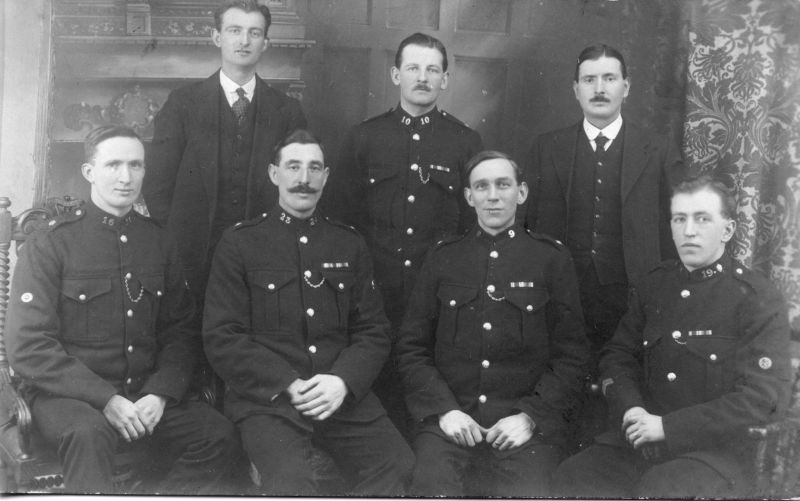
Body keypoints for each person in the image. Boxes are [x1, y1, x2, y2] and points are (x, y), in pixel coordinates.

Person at [4, 125, 241, 494]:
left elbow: (181, 331)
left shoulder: (159, 241)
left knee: (217, 435)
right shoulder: (50, 244)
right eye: (113, 164)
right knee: (89, 432)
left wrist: (160, 393)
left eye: (136, 165)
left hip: (144, 394)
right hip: (68, 398)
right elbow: (28, 346)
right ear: (89, 172)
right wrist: (106, 399)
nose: (126, 177)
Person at [202, 129, 414, 496]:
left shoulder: (349, 243)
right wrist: (287, 382)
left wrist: (342, 381)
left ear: (326, 177)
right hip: (269, 401)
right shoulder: (239, 243)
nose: (304, 179)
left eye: (315, 168)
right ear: (274, 174)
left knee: (398, 464)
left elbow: (374, 330)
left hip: (339, 396)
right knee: (292, 482)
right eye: (294, 167)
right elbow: (222, 335)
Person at [552, 175, 792, 498]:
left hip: (714, 456)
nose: (688, 231)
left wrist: (667, 428)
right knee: (574, 475)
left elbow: (760, 399)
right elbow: (617, 357)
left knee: (663, 488)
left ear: (728, 230)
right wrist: (631, 410)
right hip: (641, 443)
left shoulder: (755, 298)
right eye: (679, 219)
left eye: (702, 219)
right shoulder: (655, 286)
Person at [396, 150, 589, 496]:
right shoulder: (444, 257)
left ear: (522, 192)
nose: (493, 195)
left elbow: (572, 356)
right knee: (429, 485)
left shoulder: (551, 259)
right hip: (452, 423)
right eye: (482, 187)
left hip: (522, 426)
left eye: (503, 184)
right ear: (469, 197)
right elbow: (412, 348)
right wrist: (445, 411)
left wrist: (529, 416)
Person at [521, 43, 684, 446]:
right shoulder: (548, 147)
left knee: (621, 381)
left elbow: (673, 228)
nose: (599, 88)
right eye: (589, 79)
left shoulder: (656, 149)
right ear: (575, 89)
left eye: (609, 78)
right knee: (563, 380)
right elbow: (528, 225)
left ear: (626, 87)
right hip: (565, 293)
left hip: (630, 294)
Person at [324, 32, 483, 435]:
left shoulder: (465, 142)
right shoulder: (364, 137)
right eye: (413, 68)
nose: (423, 77)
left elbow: (472, 224)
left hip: (439, 290)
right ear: (396, 74)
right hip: (374, 288)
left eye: (433, 69)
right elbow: (340, 220)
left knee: (432, 382)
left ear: (445, 79)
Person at [143, 0, 306, 304]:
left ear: (266, 43)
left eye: (254, 33)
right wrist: (178, 241)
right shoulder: (183, 104)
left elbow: (298, 183)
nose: (244, 41)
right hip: (195, 252)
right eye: (234, 30)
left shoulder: (287, 110)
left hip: (265, 252)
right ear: (217, 38)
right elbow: (158, 183)